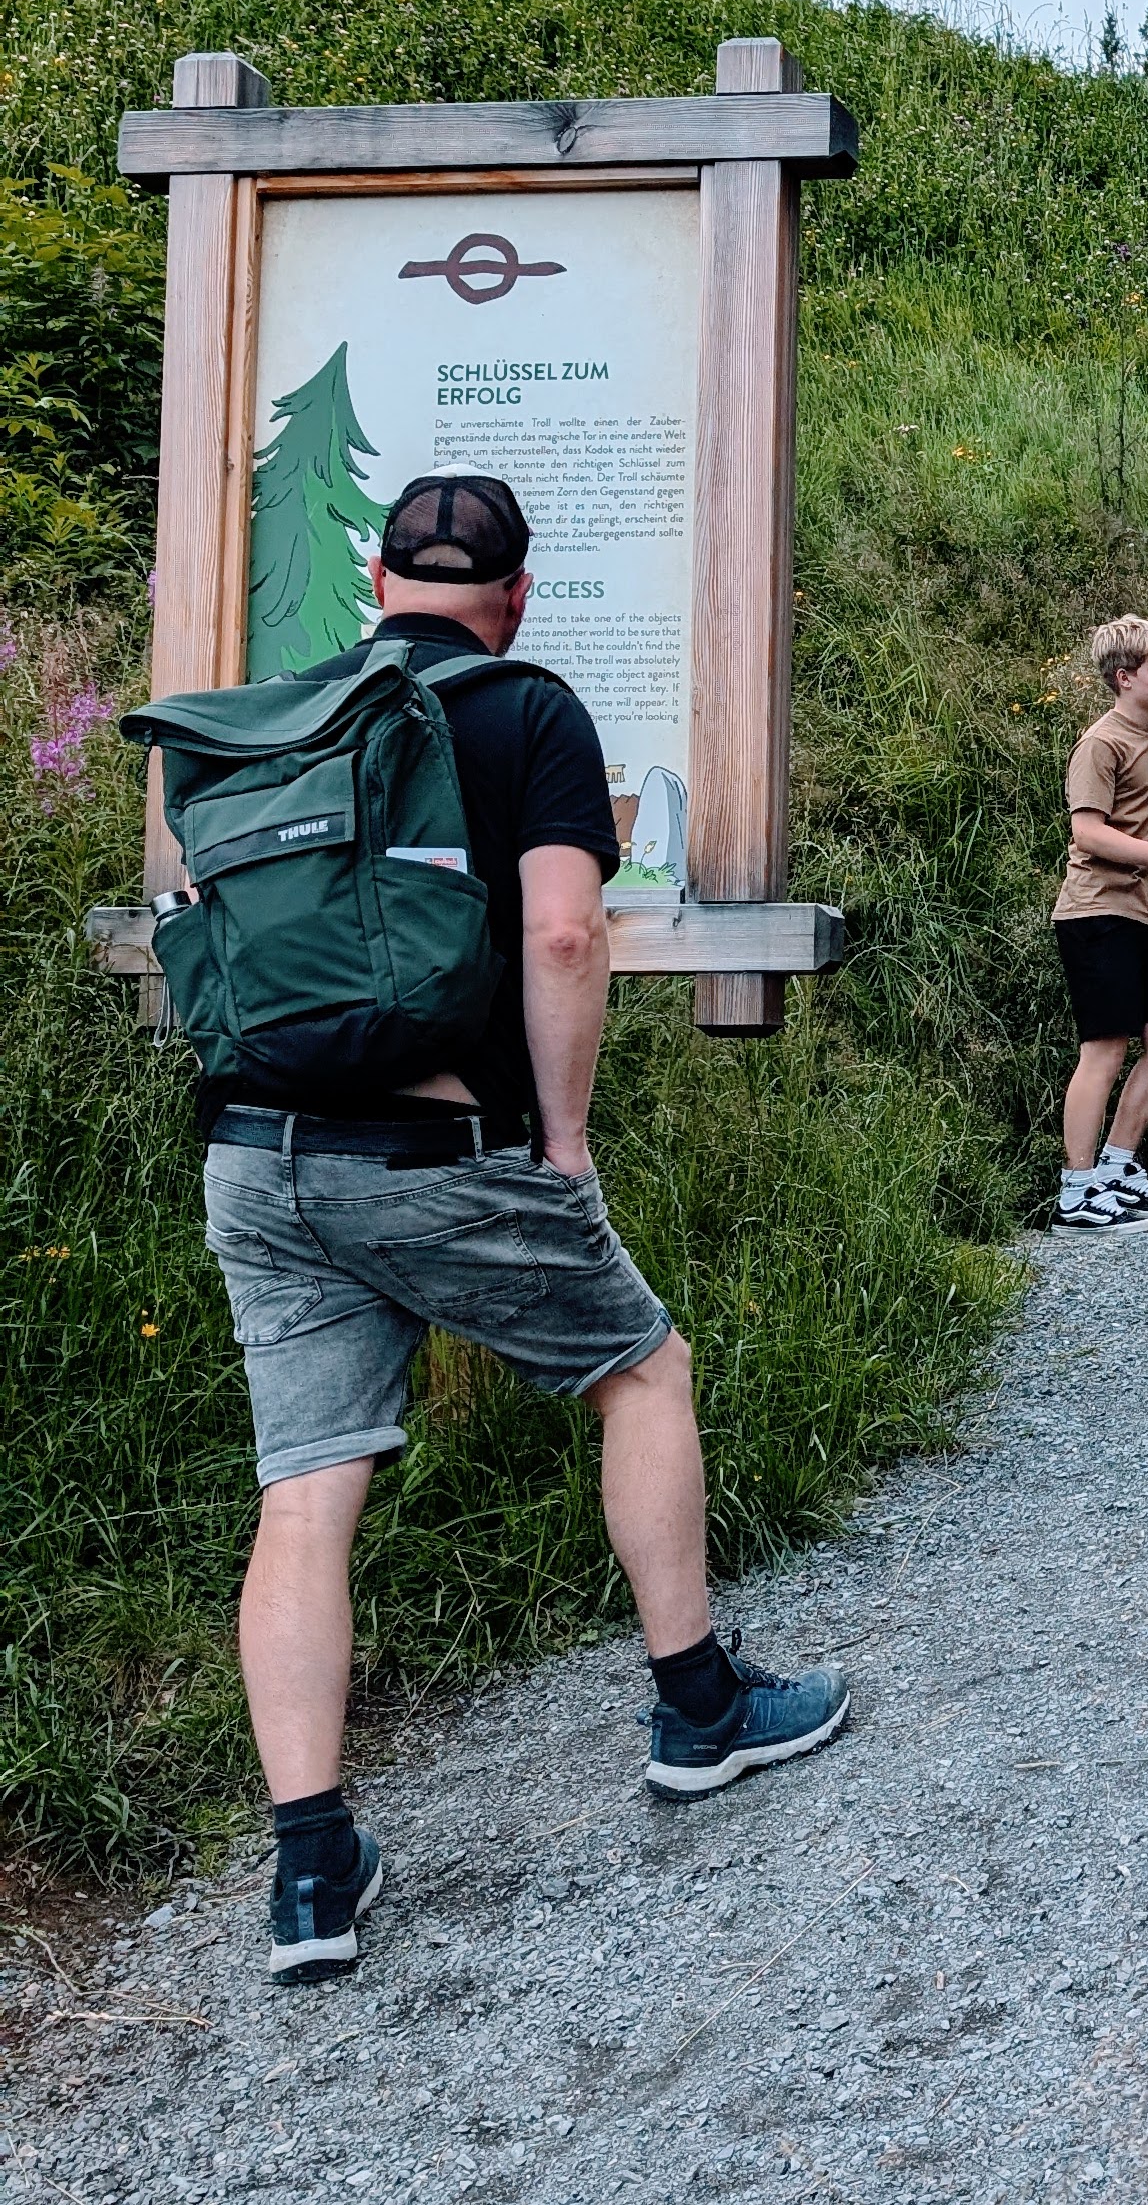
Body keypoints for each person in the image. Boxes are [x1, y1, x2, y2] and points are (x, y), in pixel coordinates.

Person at [187, 476, 848, 1985]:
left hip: (257, 1155)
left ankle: (310, 1876)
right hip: (437, 1148)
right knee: (643, 1370)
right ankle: (698, 1710)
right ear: (520, 589)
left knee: (306, 1485)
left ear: (376, 576)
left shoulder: (294, 706)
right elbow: (563, 928)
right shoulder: (527, 709)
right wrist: (560, 1140)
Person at [1050, 614, 1148, 1233]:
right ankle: (1075, 1192)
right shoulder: (1100, 744)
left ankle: (1116, 1169)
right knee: (1104, 1051)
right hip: (1096, 912)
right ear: (1124, 677)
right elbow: (1087, 831)